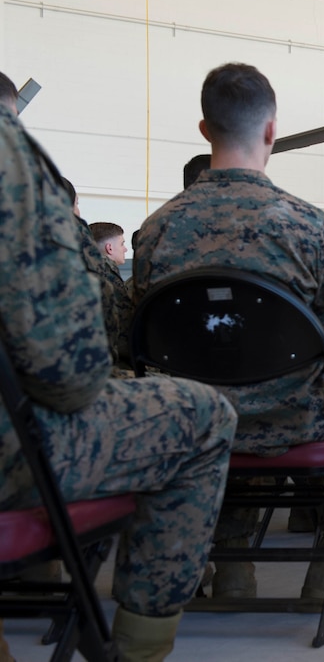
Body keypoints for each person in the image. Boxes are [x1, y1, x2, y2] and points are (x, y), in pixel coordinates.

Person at [132, 63, 324, 606]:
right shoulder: (310, 227)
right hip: (294, 415)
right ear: (272, 131)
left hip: (190, 417)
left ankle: (231, 570)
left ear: (205, 130)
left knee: (227, 391)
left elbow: (138, 341)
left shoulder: (156, 230)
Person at [1, 74, 238, 660]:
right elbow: (71, 374)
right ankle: (139, 647)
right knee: (205, 416)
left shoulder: (154, 230)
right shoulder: (12, 156)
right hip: (10, 448)